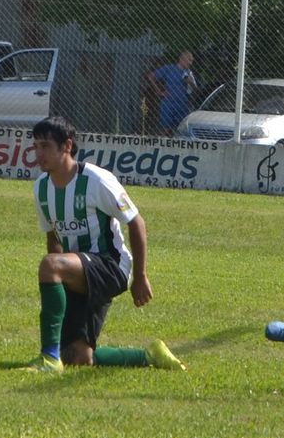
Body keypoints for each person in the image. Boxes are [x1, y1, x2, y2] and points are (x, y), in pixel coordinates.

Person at [26, 116, 185, 373]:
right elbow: (53, 237)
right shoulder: (41, 188)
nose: (38, 153)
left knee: (49, 265)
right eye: (35, 146)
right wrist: (60, 280)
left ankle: (48, 359)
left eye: (45, 146)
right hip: (80, 272)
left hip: (111, 266)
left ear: (67, 146)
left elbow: (136, 222)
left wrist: (141, 277)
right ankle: (149, 354)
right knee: (78, 357)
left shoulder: (97, 180)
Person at [148, 50, 196, 135]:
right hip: (168, 102)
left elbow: (195, 88)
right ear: (182, 58)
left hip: (182, 104)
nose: (190, 63)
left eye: (192, 61)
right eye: (189, 60)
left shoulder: (188, 73)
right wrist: (158, 91)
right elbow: (151, 76)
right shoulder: (169, 68)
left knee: (181, 130)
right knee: (165, 129)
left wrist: (190, 82)